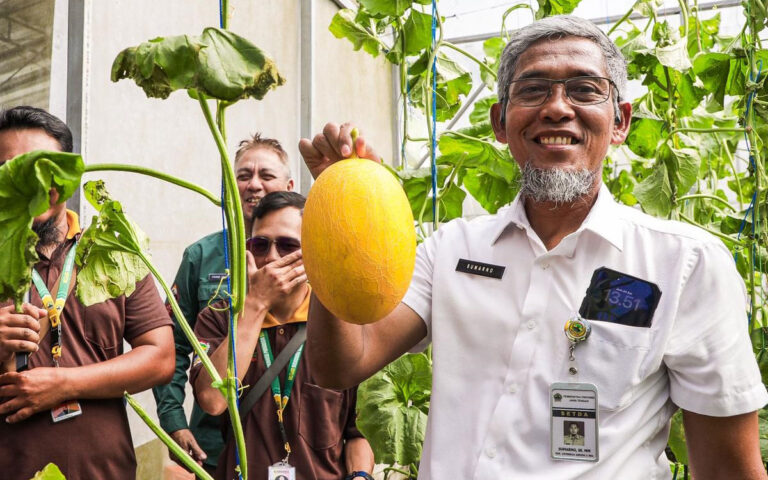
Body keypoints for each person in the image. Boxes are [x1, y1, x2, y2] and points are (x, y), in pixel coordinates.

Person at [297, 15, 768, 480]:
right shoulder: (450, 249)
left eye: (584, 89)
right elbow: (340, 364)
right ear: (500, 123)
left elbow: (729, 468)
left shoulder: (684, 263)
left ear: (620, 121)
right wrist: (338, 219)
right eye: (533, 89)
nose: (557, 108)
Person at [0, 106, 174, 478]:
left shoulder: (112, 249)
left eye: (45, 167)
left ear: (69, 176)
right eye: (13, 168)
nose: (32, 183)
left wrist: (63, 383)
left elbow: (160, 357)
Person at [192, 191, 374, 480]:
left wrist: (361, 475)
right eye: (260, 245)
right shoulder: (220, 315)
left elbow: (357, 433)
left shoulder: (340, 321)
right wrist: (255, 305)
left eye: (288, 246)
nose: (272, 257)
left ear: (313, 250)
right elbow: (213, 400)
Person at [153, 133, 294, 473]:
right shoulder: (202, 256)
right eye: (243, 176)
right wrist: (173, 420)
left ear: (289, 184)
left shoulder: (311, 252)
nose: (254, 185)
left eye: (266, 176)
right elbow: (172, 345)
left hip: (292, 436)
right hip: (214, 441)